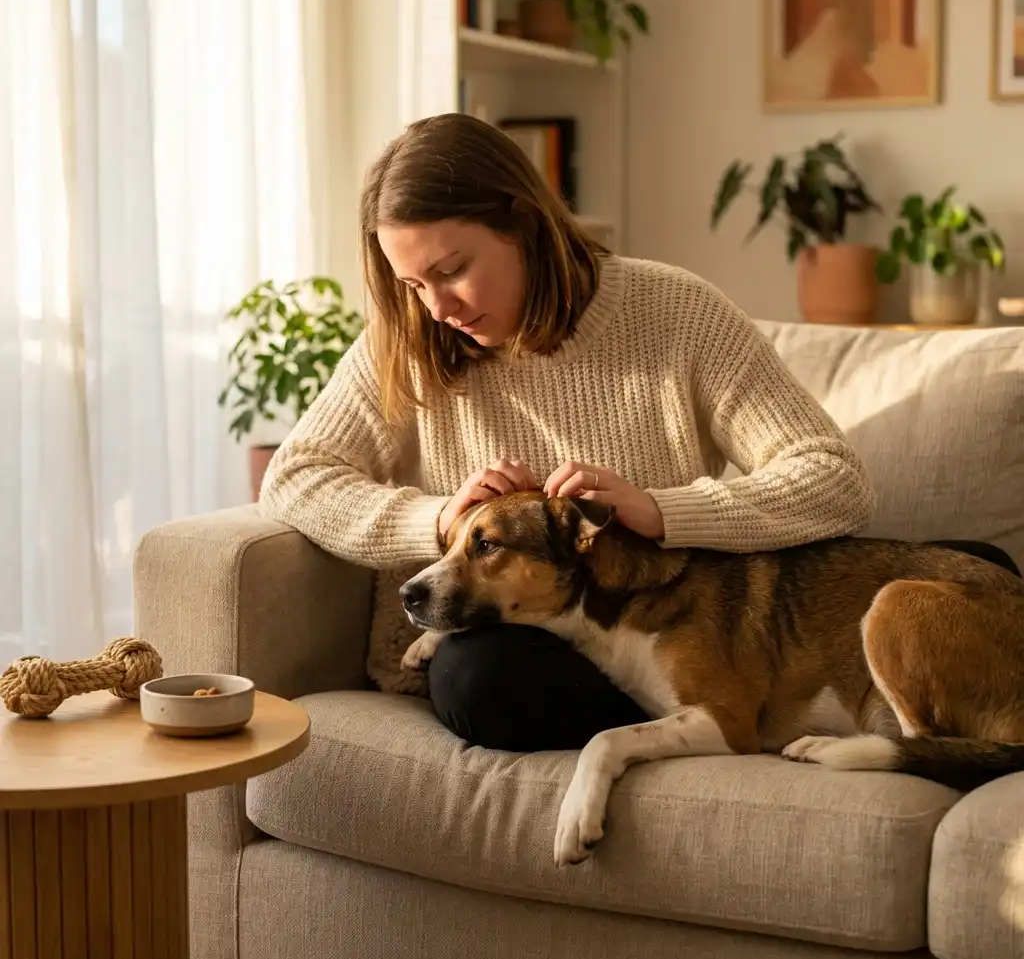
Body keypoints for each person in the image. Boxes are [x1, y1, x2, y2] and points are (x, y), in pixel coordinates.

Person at [258, 112, 1013, 754]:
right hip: (526, 646)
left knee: (972, 571)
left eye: (453, 270)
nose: (436, 307)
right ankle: (722, 715)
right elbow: (296, 477)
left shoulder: (676, 313)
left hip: (666, 624)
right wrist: (440, 518)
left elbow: (835, 479)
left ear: (522, 222)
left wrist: (662, 510)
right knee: (477, 683)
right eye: (412, 284)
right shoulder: (411, 342)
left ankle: (719, 704)